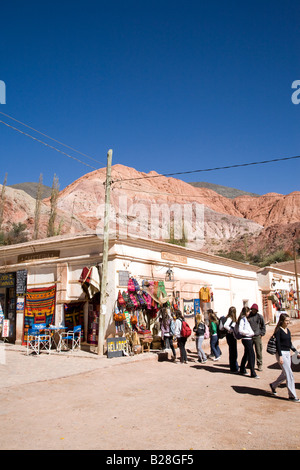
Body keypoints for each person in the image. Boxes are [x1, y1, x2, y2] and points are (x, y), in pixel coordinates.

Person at [269, 313, 300, 402]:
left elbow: (289, 343)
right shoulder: (278, 330)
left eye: (288, 320)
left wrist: (296, 352)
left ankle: (273, 385)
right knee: (289, 374)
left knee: (285, 373)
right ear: (282, 321)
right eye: (286, 320)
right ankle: (292, 396)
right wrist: (280, 357)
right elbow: (278, 344)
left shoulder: (288, 330)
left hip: (287, 352)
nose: (288, 322)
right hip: (281, 354)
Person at [237, 306, 259, 378]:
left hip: (249, 338)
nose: (249, 313)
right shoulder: (242, 320)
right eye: (248, 312)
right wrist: (248, 333)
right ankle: (253, 372)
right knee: (251, 355)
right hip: (246, 339)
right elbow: (240, 330)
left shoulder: (245, 319)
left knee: (246, 354)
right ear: (246, 312)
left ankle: (242, 369)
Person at [248, 303, 266, 371]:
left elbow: (263, 326)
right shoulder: (248, 316)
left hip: (257, 336)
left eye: (255, 310)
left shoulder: (259, 317)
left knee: (258, 351)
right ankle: (249, 363)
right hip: (249, 336)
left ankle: (259, 364)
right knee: (249, 351)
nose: (253, 311)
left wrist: (262, 334)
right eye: (252, 309)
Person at [223, 306, 239, 373]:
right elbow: (225, 325)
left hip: (231, 336)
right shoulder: (230, 318)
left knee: (233, 351)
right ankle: (233, 367)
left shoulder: (230, 318)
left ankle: (234, 366)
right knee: (233, 351)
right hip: (230, 336)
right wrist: (231, 330)